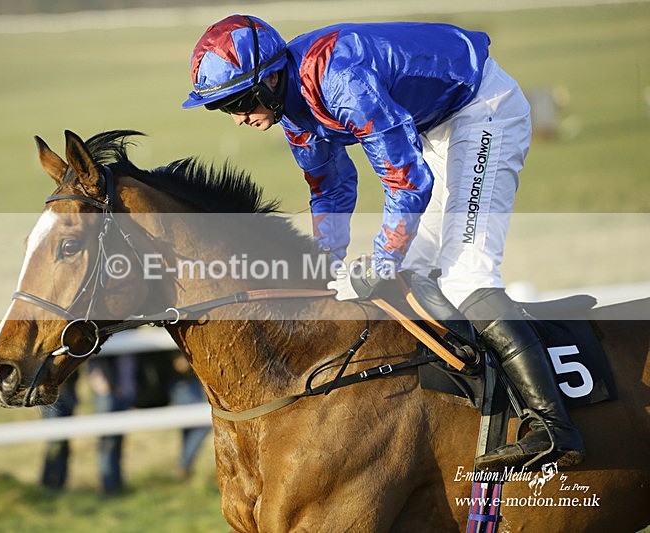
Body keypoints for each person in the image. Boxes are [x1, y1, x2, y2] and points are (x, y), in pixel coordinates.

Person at [183, 15, 583, 470]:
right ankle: (484, 396)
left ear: (272, 78)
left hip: (482, 108)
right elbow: (331, 190)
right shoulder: (292, 113)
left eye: (239, 101)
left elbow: (408, 180)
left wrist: (381, 259)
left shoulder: (339, 78)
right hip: (436, 125)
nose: (238, 117)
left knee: (464, 274)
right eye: (223, 108)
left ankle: (555, 428)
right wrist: (324, 263)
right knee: (416, 277)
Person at [40, 355, 137, 494]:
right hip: (61, 380)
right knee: (57, 439)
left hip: (99, 378)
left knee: (110, 437)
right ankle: (52, 485)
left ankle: (111, 485)